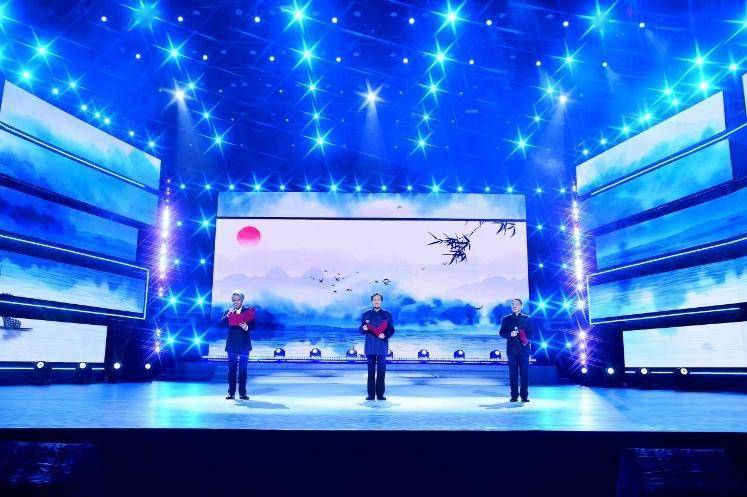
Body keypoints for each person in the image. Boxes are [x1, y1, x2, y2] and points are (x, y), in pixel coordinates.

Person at [219, 290, 255, 400]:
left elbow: (255, 325)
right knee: (232, 370)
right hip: (231, 345)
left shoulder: (248, 311)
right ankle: (231, 393)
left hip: (244, 345)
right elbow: (220, 325)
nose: (236, 302)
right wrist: (227, 316)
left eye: (238, 300)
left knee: (243, 370)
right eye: (234, 300)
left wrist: (247, 327)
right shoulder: (228, 311)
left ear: (242, 300)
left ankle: (242, 393)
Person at [358, 293, 395, 400]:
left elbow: (392, 330)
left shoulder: (387, 314)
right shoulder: (366, 314)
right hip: (370, 346)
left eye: (378, 299)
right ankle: (370, 394)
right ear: (372, 301)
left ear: (381, 301)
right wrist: (363, 328)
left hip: (382, 346)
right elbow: (361, 330)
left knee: (381, 371)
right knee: (370, 372)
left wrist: (385, 335)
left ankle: (380, 394)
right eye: (374, 300)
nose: (376, 301)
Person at [499, 298, 534, 402]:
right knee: (513, 374)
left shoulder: (528, 319)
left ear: (521, 306)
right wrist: (510, 334)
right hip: (512, 351)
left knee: (524, 374)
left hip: (524, 351)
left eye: (516, 304)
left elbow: (532, 333)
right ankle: (514, 396)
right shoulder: (506, 319)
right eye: (512, 304)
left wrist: (524, 336)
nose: (514, 306)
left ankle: (524, 396)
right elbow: (501, 333)